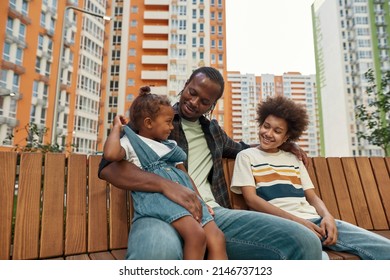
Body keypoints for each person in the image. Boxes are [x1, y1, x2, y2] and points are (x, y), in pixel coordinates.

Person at [99, 66, 323, 260]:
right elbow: (108, 168)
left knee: (305, 241)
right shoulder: (157, 119)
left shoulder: (214, 132)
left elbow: (243, 148)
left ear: (212, 105)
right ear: (185, 85)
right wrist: (167, 185)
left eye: (204, 101)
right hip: (161, 213)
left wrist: (286, 145)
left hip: (213, 215)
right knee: (158, 253)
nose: (194, 102)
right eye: (192, 93)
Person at [230, 95, 390, 260]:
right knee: (320, 259)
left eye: (277, 131)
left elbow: (312, 197)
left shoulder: (294, 159)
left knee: (383, 247)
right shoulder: (247, 156)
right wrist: (299, 222)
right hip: (280, 224)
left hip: (315, 221)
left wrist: (328, 216)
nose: (268, 133)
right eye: (266, 126)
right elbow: (251, 199)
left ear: (286, 138)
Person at [103, 86, 227, 260]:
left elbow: (185, 177)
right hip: (159, 199)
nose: (171, 126)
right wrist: (117, 128)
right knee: (196, 236)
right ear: (148, 123)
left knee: (217, 238)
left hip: (186, 197)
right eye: (168, 122)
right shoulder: (131, 143)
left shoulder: (170, 146)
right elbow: (110, 154)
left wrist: (201, 200)